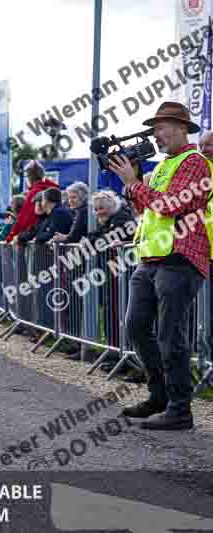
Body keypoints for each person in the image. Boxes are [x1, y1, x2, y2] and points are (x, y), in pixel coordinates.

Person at [110, 101, 209, 430]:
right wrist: (132, 183)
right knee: (136, 327)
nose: (156, 134)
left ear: (182, 128)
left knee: (171, 336)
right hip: (153, 257)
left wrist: (134, 183)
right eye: (155, 128)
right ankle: (161, 396)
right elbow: (148, 209)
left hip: (180, 258)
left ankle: (180, 410)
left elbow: (170, 206)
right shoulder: (167, 164)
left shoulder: (195, 163)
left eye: (161, 127)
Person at [5, 161, 59, 242]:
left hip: (34, 239)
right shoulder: (53, 189)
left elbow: (25, 218)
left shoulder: (34, 192)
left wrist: (11, 237)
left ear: (30, 177)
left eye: (26, 176)